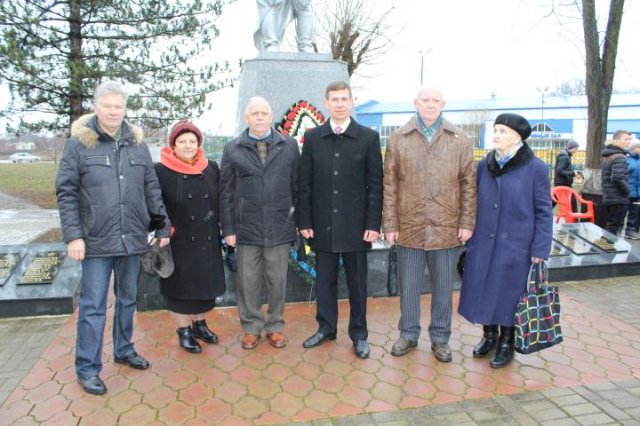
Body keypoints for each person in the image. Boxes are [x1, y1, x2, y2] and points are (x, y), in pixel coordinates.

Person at [56, 81, 171, 395]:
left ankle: (124, 349)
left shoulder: (137, 145)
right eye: (107, 106)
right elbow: (66, 193)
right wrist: (73, 236)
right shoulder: (78, 145)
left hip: (132, 239)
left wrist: (162, 226)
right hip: (95, 241)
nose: (113, 111)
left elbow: (151, 188)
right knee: (93, 306)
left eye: (118, 106)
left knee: (128, 299)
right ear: (96, 107)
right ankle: (87, 368)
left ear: (124, 109)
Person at [383, 86, 476, 362]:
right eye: (426, 100)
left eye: (436, 100)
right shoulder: (399, 138)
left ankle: (440, 338)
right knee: (409, 284)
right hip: (409, 224)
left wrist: (467, 221)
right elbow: (390, 185)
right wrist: (390, 223)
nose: (431, 105)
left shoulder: (459, 139)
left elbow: (468, 185)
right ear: (416, 103)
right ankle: (408, 334)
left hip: (446, 226)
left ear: (443, 104)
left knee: (443, 287)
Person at [458, 113, 553, 368]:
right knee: (484, 288)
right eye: (495, 130)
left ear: (517, 137)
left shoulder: (536, 168)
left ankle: (507, 343)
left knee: (510, 295)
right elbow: (474, 200)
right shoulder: (485, 164)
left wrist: (540, 249)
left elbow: (544, 211)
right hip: (484, 241)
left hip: (517, 245)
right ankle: (489, 336)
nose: (496, 135)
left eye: (502, 131)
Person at [298, 81, 383, 359]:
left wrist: (372, 224)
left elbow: (375, 185)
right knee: (325, 283)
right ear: (326, 103)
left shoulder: (368, 138)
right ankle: (326, 328)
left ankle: (359, 335)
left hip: (357, 229)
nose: (339, 103)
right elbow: (305, 184)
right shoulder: (313, 138)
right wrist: (305, 221)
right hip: (322, 226)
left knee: (358, 286)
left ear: (351, 102)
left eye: (344, 99)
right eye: (334, 99)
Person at [220, 96, 299, 350]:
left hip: (279, 225)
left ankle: (275, 326)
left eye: (264, 113)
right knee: (248, 282)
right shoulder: (233, 149)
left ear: (271, 115)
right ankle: (251, 327)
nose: (260, 117)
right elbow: (226, 193)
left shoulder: (289, 145)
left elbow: (297, 186)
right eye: (255, 113)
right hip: (246, 227)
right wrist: (228, 228)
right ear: (246, 117)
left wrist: (298, 220)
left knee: (278, 281)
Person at [155, 121, 226, 354]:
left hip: (207, 238)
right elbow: (154, 204)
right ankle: (184, 331)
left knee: (204, 287)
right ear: (173, 144)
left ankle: (200, 324)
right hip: (178, 240)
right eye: (182, 141)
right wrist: (161, 229)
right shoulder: (160, 170)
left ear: (199, 144)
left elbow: (222, 199)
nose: (188, 145)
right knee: (180, 291)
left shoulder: (211, 167)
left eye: (192, 141)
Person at [601, 130, 632, 236]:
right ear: (617, 140)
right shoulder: (620, 156)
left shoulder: (610, 154)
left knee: (610, 226)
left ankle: (607, 248)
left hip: (610, 196)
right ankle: (608, 250)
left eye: (629, 139)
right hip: (618, 197)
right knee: (614, 227)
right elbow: (618, 177)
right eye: (626, 139)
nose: (628, 142)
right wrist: (628, 190)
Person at [553, 140, 580, 211]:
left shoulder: (566, 156)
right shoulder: (564, 157)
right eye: (576, 149)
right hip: (562, 183)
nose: (576, 151)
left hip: (564, 182)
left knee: (555, 199)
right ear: (572, 148)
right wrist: (572, 173)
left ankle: (575, 218)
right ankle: (575, 218)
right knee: (572, 200)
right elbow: (559, 170)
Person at [626, 140, 640, 240]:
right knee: (622, 212)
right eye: (638, 147)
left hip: (637, 192)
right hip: (627, 191)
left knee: (634, 213)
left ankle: (630, 230)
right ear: (633, 148)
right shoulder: (626, 159)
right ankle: (617, 231)